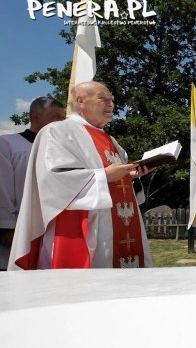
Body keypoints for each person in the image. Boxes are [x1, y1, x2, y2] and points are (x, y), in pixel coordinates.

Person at [8, 81, 153, 270]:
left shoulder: (112, 141)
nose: (111, 105)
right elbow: (53, 181)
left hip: (118, 227)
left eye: (112, 100)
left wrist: (132, 176)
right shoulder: (57, 132)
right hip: (80, 230)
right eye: (103, 99)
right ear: (80, 101)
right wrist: (103, 176)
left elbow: (116, 181)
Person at [0, 97, 66, 270]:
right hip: (18, 230)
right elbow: (3, 187)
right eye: (56, 117)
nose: (60, 123)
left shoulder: (64, 149)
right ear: (36, 117)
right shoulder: (8, 145)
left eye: (63, 118)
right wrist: (6, 227)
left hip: (54, 229)